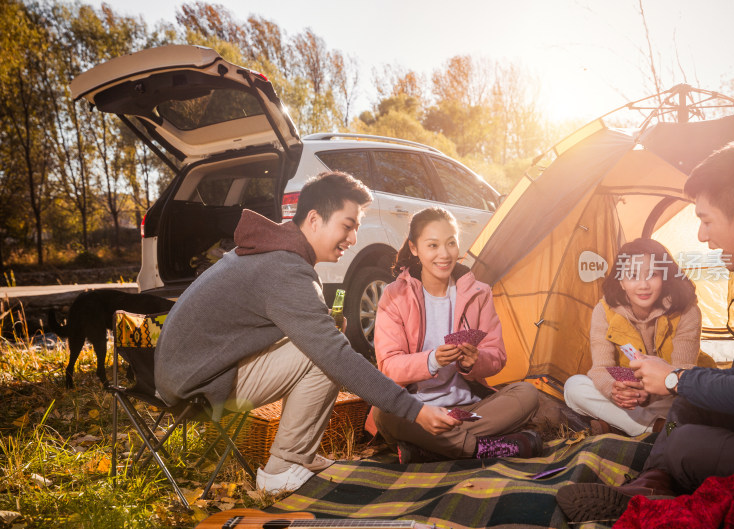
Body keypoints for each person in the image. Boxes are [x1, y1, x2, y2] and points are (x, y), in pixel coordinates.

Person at [154, 172, 460, 493]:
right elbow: (335, 357)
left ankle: (299, 457)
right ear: (314, 219)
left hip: (183, 372)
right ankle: (282, 468)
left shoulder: (272, 253)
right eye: (347, 225)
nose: (353, 238)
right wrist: (416, 410)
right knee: (325, 357)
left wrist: (322, 330)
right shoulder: (284, 267)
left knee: (322, 345)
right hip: (196, 385)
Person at [557, 139, 734, 522]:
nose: (702, 236)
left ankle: (660, 477)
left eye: (705, 220)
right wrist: (679, 383)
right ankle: (652, 483)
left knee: (685, 438)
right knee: (689, 402)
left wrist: (674, 379)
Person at [370, 207, 542, 462]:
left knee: (527, 394)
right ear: (414, 248)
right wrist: (432, 360)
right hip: (417, 409)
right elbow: (389, 366)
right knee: (384, 414)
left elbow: (497, 355)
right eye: (433, 245)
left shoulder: (478, 293)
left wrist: (474, 361)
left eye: (451, 243)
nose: (444, 254)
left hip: (471, 407)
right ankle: (483, 448)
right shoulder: (395, 295)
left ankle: (431, 448)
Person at [563, 238, 702, 437]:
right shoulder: (604, 311)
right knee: (574, 387)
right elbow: (600, 368)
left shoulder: (687, 310)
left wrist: (651, 392)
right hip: (628, 387)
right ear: (621, 281)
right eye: (633, 275)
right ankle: (658, 428)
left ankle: (618, 425)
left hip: (669, 387)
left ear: (664, 277)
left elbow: (684, 371)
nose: (643, 285)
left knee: (694, 402)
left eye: (652, 274)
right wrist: (615, 390)